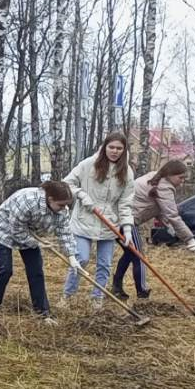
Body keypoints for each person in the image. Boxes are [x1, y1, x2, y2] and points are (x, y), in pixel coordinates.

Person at [0, 180, 78, 324]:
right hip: (4, 229)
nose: (64, 208)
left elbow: (64, 233)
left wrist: (72, 257)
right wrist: (38, 243)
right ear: (50, 199)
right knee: (5, 270)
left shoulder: (61, 211)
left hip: (30, 233)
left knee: (36, 272)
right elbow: (17, 231)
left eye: (66, 205)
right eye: (61, 205)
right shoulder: (27, 202)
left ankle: (43, 313)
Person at [61, 132, 135, 311]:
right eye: (111, 147)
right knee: (82, 258)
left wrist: (127, 229)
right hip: (84, 220)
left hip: (108, 224)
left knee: (105, 264)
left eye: (119, 148)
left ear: (124, 150)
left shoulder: (126, 171)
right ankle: (67, 296)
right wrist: (81, 194)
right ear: (104, 147)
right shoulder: (88, 164)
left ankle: (97, 298)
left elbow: (125, 203)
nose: (115, 151)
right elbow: (66, 184)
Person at [113, 160, 195, 299]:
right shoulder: (164, 186)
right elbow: (172, 215)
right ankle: (142, 292)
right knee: (138, 256)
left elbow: (158, 208)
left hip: (119, 218)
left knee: (130, 254)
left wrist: (169, 227)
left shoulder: (155, 177)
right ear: (170, 174)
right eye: (180, 177)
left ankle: (117, 286)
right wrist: (190, 239)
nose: (182, 182)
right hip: (125, 220)